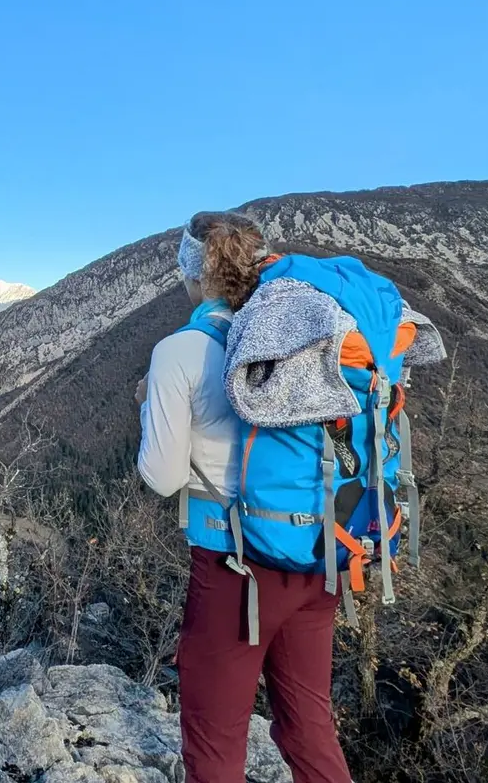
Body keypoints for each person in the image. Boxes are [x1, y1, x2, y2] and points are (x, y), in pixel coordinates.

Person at [135, 211, 353, 783]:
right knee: (308, 725)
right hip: (317, 551)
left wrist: (148, 408)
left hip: (236, 568)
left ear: (192, 274)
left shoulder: (181, 352)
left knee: (214, 737)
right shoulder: (293, 341)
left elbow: (160, 475)